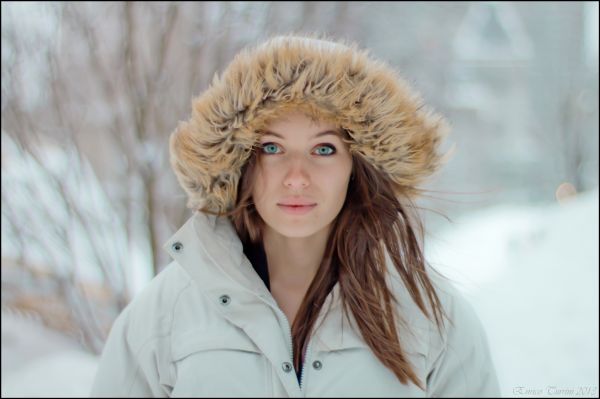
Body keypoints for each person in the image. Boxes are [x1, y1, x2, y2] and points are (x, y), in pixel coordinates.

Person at [90, 33, 500, 397]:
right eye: (272, 148)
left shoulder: (428, 317)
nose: (297, 177)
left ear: (357, 168)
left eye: (324, 149)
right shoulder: (169, 310)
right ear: (240, 163)